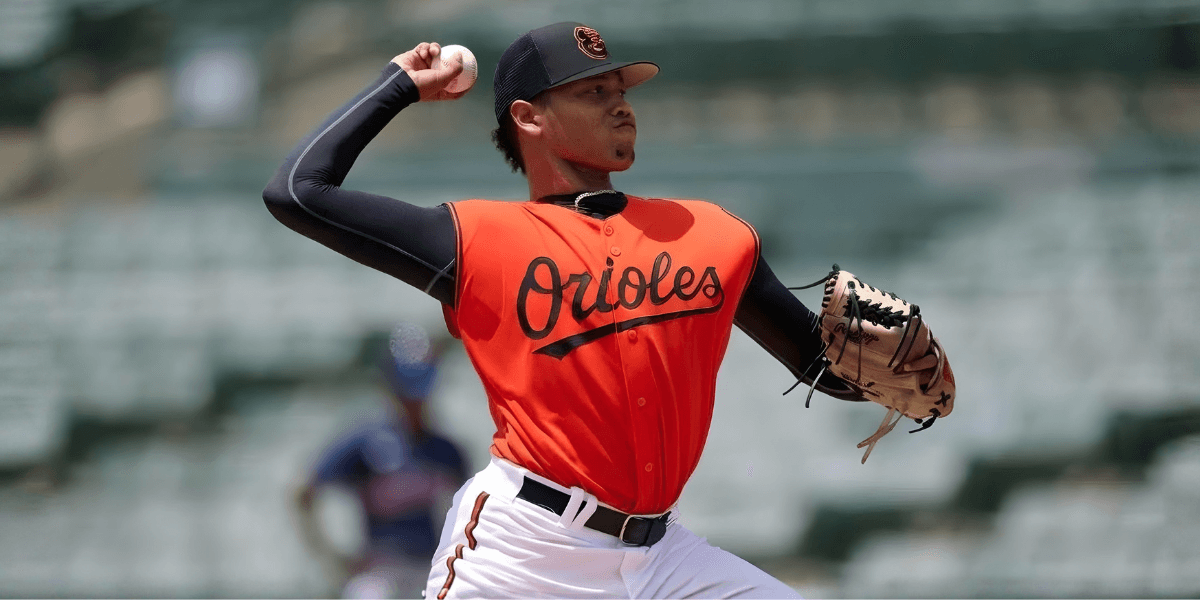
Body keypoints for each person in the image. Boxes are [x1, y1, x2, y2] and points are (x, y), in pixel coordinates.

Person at [265, 21, 898, 599]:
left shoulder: (713, 235)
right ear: (529, 118)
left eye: (620, 90)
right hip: (525, 554)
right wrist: (398, 85)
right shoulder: (477, 241)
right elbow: (297, 191)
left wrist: (897, 367)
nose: (621, 104)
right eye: (593, 92)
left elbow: (823, 366)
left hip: (664, 559)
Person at [294, 323, 467, 599]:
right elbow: (303, 493)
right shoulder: (366, 441)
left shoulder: (446, 451)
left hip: (428, 566)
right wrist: (332, 557)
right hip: (379, 570)